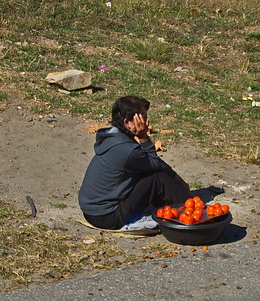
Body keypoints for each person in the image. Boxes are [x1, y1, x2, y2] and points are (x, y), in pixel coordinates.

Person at [78, 95, 191, 230]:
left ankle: (176, 200)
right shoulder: (127, 150)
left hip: (92, 212)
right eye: (142, 116)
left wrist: (175, 177)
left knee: (153, 172)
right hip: (107, 217)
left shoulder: (112, 136)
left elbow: (152, 163)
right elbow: (155, 164)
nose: (147, 121)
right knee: (156, 178)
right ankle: (184, 208)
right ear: (128, 122)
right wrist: (143, 137)